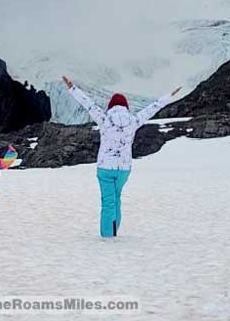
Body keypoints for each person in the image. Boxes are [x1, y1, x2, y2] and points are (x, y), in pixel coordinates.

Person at [61, 76, 181, 239]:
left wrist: (72, 88)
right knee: (116, 198)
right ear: (126, 107)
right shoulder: (133, 121)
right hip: (124, 169)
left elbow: (88, 104)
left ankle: (108, 236)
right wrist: (170, 96)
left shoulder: (105, 119)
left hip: (105, 168)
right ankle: (114, 229)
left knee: (108, 201)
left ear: (111, 106)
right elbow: (153, 108)